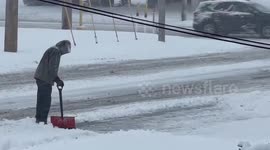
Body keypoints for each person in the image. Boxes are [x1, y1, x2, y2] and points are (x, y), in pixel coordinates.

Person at [34, 40, 71, 124]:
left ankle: (39, 118)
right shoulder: (56, 51)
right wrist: (57, 80)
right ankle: (42, 120)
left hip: (40, 76)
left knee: (41, 99)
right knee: (45, 100)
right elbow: (52, 67)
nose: (66, 51)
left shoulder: (53, 49)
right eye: (67, 48)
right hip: (45, 78)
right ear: (63, 46)